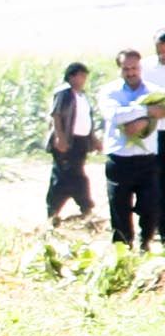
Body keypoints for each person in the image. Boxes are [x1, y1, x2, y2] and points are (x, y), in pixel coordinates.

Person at [104, 47, 163, 248]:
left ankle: (145, 243)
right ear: (119, 69)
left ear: (140, 67)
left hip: (146, 159)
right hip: (119, 159)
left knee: (150, 206)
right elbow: (115, 115)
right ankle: (122, 249)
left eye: (134, 68)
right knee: (119, 208)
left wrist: (143, 122)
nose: (131, 72)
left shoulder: (154, 92)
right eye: (126, 68)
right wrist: (147, 111)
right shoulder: (110, 91)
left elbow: (162, 111)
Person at [49, 61, 99, 227]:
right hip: (67, 140)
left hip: (80, 141)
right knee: (64, 175)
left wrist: (93, 139)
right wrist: (60, 137)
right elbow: (56, 115)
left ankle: (83, 208)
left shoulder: (82, 95)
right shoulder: (64, 93)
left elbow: (87, 120)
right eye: (81, 75)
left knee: (74, 175)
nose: (84, 79)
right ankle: (58, 210)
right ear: (72, 76)